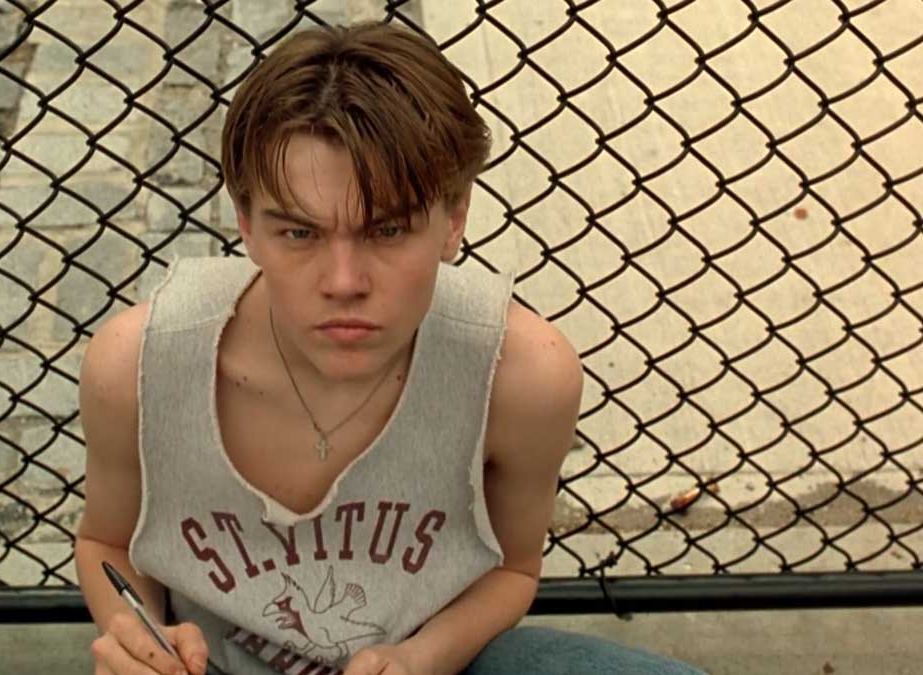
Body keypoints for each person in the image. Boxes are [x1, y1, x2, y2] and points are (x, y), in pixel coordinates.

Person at [74, 20, 704, 675]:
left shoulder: (517, 374)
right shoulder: (142, 364)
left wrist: (416, 658)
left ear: (454, 217)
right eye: (299, 232)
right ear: (245, 224)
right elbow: (105, 540)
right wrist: (137, 638)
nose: (345, 282)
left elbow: (515, 568)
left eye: (388, 229)